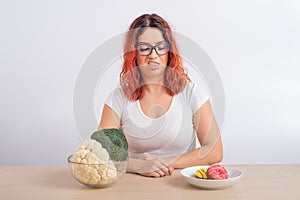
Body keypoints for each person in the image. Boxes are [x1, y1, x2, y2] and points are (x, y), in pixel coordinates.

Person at [98, 13, 223, 178]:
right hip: (132, 186)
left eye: (161, 47)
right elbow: (100, 153)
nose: (153, 55)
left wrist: (164, 163)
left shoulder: (192, 93)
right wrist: (139, 165)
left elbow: (214, 151)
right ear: (133, 53)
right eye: (144, 48)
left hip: (181, 186)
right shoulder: (118, 98)